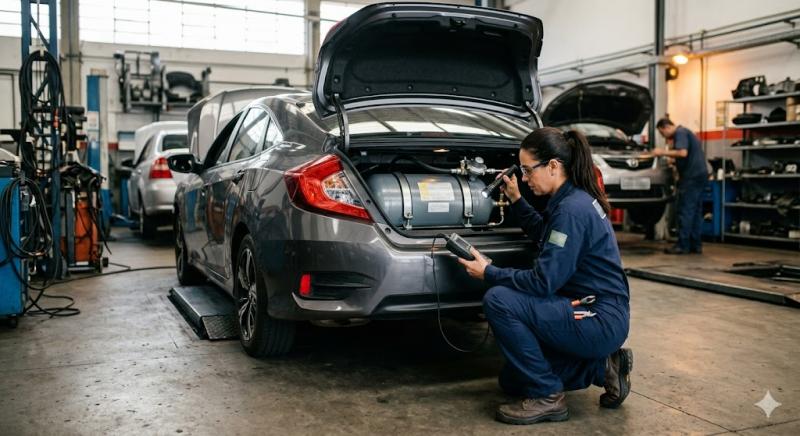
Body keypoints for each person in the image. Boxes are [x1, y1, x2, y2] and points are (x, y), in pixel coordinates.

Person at [457, 127, 632, 425]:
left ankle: (547, 396)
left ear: (552, 165)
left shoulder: (571, 211)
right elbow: (547, 235)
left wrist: (489, 272)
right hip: (593, 310)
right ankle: (604, 368)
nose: (525, 178)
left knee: (499, 300)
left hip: (598, 317)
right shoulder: (572, 199)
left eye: (528, 170)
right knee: (512, 380)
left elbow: (543, 282)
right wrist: (516, 199)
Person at [652, 118, 709, 254]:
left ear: (666, 127)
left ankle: (682, 245)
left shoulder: (680, 133)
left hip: (691, 177)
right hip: (700, 175)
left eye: (662, 133)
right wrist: (674, 161)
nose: (664, 137)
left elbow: (683, 152)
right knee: (695, 212)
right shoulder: (686, 132)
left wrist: (661, 152)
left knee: (686, 210)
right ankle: (695, 245)